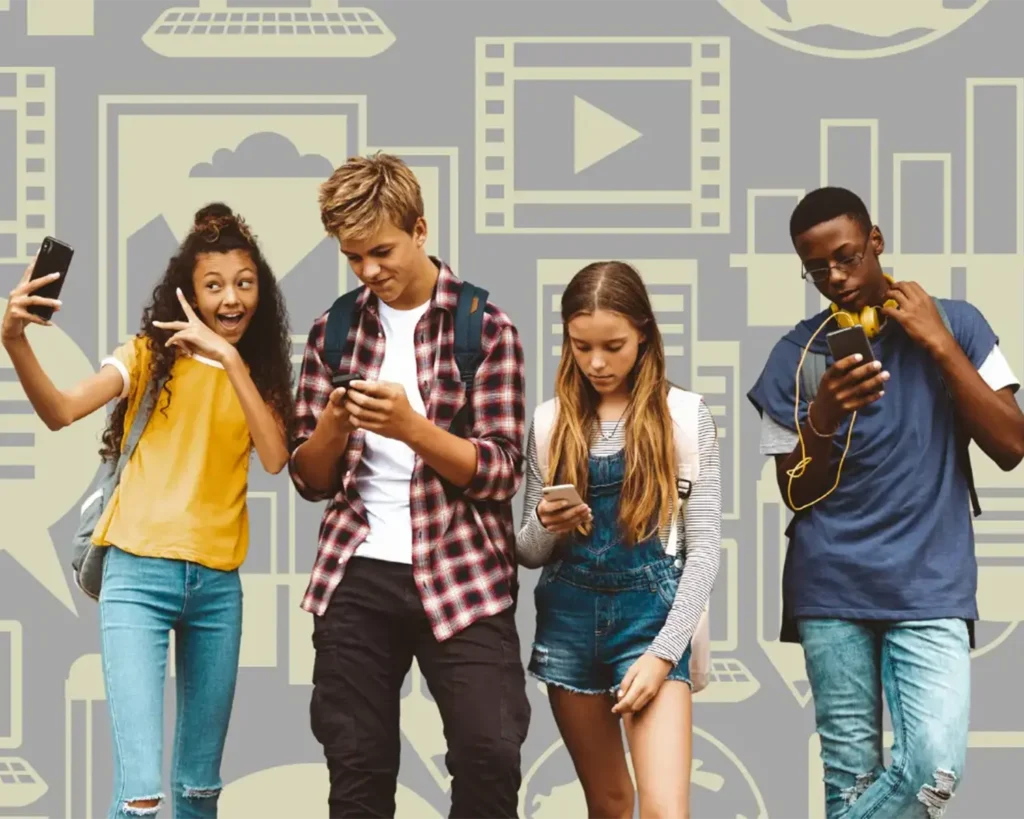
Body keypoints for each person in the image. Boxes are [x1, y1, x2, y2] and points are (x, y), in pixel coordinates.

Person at [1, 204, 294, 818]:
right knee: (140, 793)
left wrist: (231, 360)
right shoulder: (145, 356)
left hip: (217, 588)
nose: (231, 298)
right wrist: (14, 340)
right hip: (137, 576)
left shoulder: (259, 376)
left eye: (244, 283)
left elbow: (274, 458)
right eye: (213, 285)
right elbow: (59, 411)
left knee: (199, 788)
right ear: (188, 292)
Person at [747, 186, 1024, 818]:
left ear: (876, 241)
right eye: (817, 269)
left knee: (933, 770)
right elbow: (793, 491)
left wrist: (939, 345)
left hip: (930, 584)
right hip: (830, 587)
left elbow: (1011, 443)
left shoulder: (959, 322)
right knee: (848, 783)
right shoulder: (794, 356)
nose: (835, 278)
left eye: (846, 257)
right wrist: (822, 415)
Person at [288, 152, 531, 818]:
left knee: (489, 758)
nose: (369, 270)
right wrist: (334, 425)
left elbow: (504, 470)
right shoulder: (332, 332)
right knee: (358, 772)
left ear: (421, 229)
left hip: (465, 570)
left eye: (382, 251)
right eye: (353, 257)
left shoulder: (484, 327)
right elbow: (309, 480)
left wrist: (412, 427)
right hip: (357, 572)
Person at [516, 261, 722, 819]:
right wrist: (546, 522)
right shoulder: (549, 422)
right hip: (569, 622)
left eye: (613, 345)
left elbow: (703, 553)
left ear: (645, 334)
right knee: (609, 804)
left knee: (662, 811)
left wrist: (662, 656)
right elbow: (529, 553)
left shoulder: (684, 416)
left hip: (651, 619)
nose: (597, 363)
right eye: (581, 347)